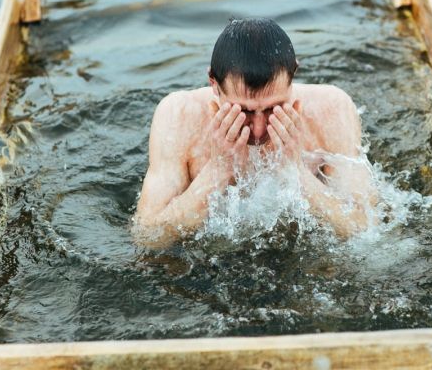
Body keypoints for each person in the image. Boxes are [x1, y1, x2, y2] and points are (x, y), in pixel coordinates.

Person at [134, 18, 377, 248]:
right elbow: (148, 237)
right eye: (244, 111)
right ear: (213, 84)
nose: (259, 130)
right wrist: (218, 170)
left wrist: (294, 171)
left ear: (293, 76)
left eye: (273, 108)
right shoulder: (179, 115)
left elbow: (365, 228)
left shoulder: (331, 109)